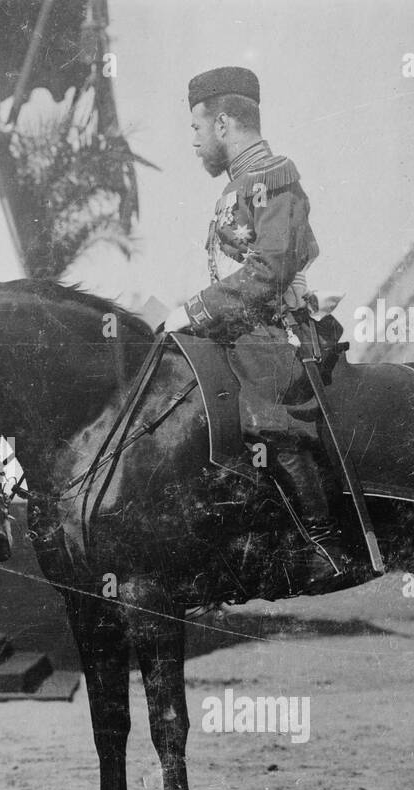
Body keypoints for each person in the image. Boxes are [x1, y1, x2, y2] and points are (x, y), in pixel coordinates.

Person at [163, 66, 358, 588]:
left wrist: (196, 310)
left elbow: (269, 270)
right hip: (241, 333)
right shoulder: (241, 185)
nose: (195, 141)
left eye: (196, 128)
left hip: (271, 337)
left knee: (261, 417)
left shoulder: (273, 177)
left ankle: (324, 545)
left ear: (223, 122)